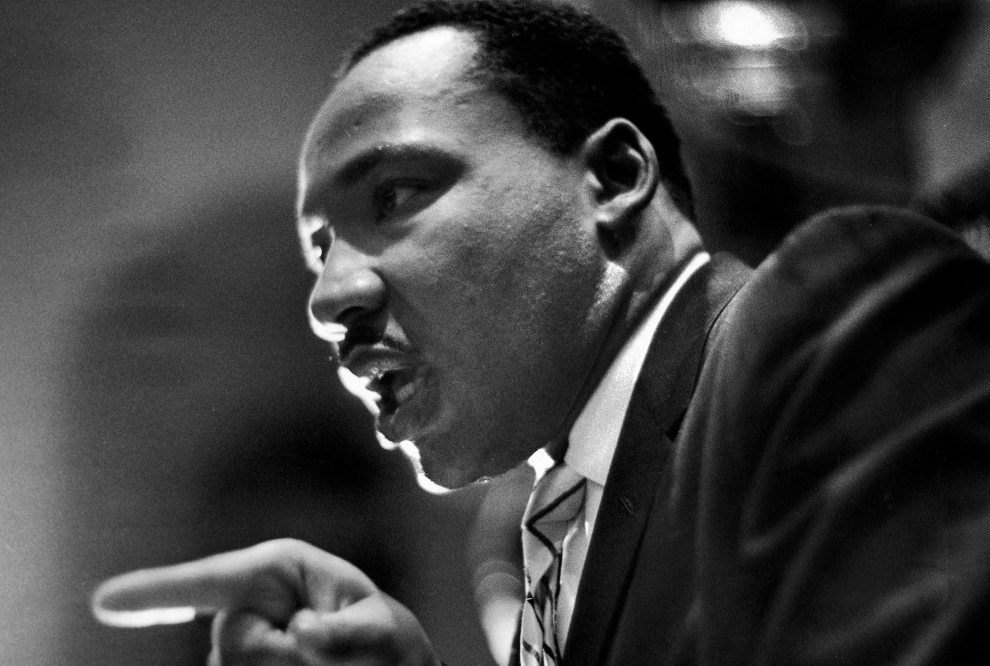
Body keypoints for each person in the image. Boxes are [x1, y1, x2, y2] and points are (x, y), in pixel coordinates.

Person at [92, 1, 990, 664]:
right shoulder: (542, 530)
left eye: (396, 195)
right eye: (320, 248)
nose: (329, 298)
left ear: (612, 174)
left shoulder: (819, 325)